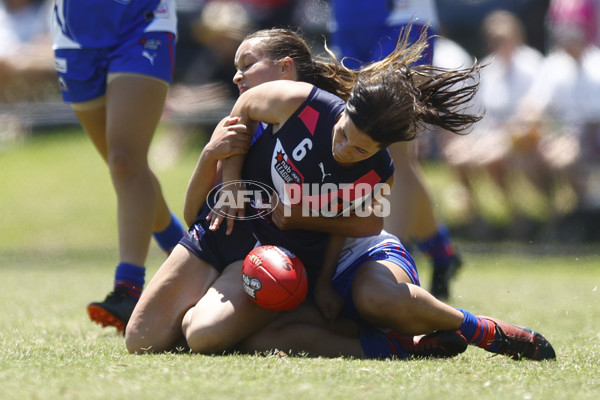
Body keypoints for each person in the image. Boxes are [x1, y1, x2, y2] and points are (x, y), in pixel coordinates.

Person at [125, 27, 555, 362]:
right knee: (141, 341)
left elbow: (364, 224)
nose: (345, 149)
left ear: (381, 150)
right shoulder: (297, 101)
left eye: (361, 149)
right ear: (343, 108)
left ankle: (474, 329)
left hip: (295, 253)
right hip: (236, 241)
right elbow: (243, 111)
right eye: (346, 134)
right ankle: (393, 341)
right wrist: (230, 178)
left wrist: (301, 220)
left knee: (207, 336)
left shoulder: (377, 170)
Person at [52, 0, 185, 333]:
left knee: (126, 160)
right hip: (74, 30)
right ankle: (185, 250)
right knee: (124, 167)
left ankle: (128, 288)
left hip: (142, 20)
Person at [328, 0, 461, 300]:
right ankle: (441, 252)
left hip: (401, 17)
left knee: (390, 149)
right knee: (386, 150)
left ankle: (392, 268)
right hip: (347, 19)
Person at [441, 10, 545, 234]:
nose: (498, 43)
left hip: (522, 136)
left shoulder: (532, 64)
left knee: (493, 158)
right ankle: (477, 219)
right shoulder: (488, 68)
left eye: (503, 38)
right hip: (488, 135)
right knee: (457, 155)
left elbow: (533, 109)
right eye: (494, 39)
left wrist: (502, 135)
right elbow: (479, 113)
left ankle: (517, 217)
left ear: (516, 36)